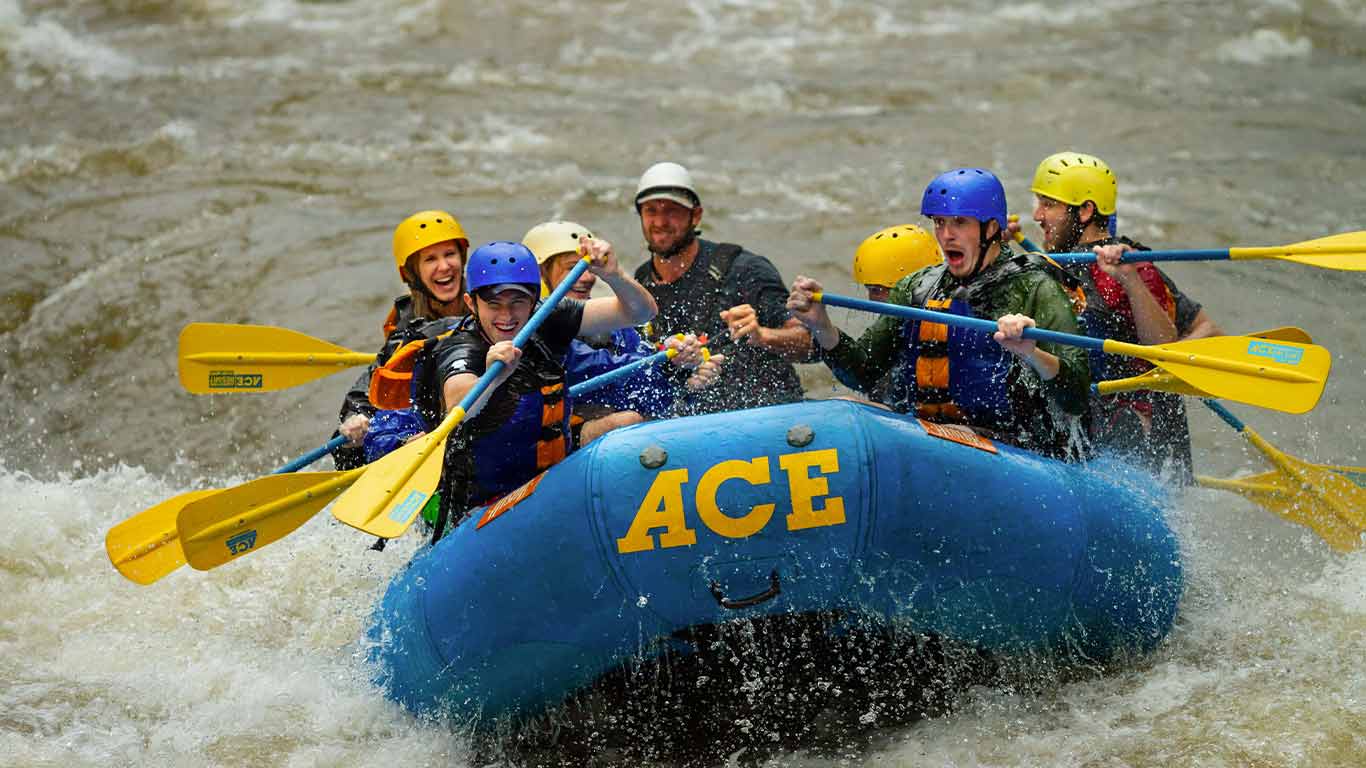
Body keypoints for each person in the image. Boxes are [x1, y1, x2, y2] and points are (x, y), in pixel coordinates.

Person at [787, 168, 1091, 459]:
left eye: (959, 222)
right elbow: (864, 373)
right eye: (939, 223)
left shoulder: (1036, 288)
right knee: (842, 405)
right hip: (929, 437)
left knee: (953, 435)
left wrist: (1031, 354)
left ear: (992, 228)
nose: (946, 235)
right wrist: (821, 326)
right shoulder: (917, 288)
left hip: (1016, 450)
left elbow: (1076, 399)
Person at [417, 236, 657, 537]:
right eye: (494, 304)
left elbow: (640, 313)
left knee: (629, 422)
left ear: (534, 299)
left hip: (550, 478)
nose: (506, 316)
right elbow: (459, 405)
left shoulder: (548, 316)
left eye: (517, 302)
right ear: (471, 303)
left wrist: (613, 275)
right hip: (479, 507)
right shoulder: (461, 348)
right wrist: (496, 377)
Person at [1025, 151, 1222, 480]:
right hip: (1083, 429)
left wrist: (1131, 281)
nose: (1037, 215)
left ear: (1085, 211)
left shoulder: (1128, 268)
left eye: (1049, 204)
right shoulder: (1055, 264)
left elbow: (1198, 337)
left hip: (1134, 437)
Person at [630, 161, 809, 415]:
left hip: (767, 416)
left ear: (696, 215)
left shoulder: (745, 270)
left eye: (672, 210)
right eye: (651, 211)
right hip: (696, 427)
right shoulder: (640, 286)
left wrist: (762, 336)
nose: (660, 221)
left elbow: (810, 344)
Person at [523, 220, 723, 432]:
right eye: (573, 268)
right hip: (556, 440)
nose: (588, 277)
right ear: (540, 275)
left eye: (589, 268)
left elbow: (644, 378)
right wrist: (668, 368)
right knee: (625, 421)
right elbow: (608, 376)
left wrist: (685, 379)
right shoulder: (533, 330)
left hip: (597, 424)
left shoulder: (615, 329)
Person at [332, 210, 470, 470]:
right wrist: (356, 416)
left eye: (450, 254)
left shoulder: (494, 305)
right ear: (412, 273)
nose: (444, 266)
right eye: (431, 259)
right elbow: (372, 387)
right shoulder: (406, 337)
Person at [829, 224, 944, 405]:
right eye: (869, 290)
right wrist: (821, 327)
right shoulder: (892, 331)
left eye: (877, 290)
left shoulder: (955, 324)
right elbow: (862, 374)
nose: (871, 300)